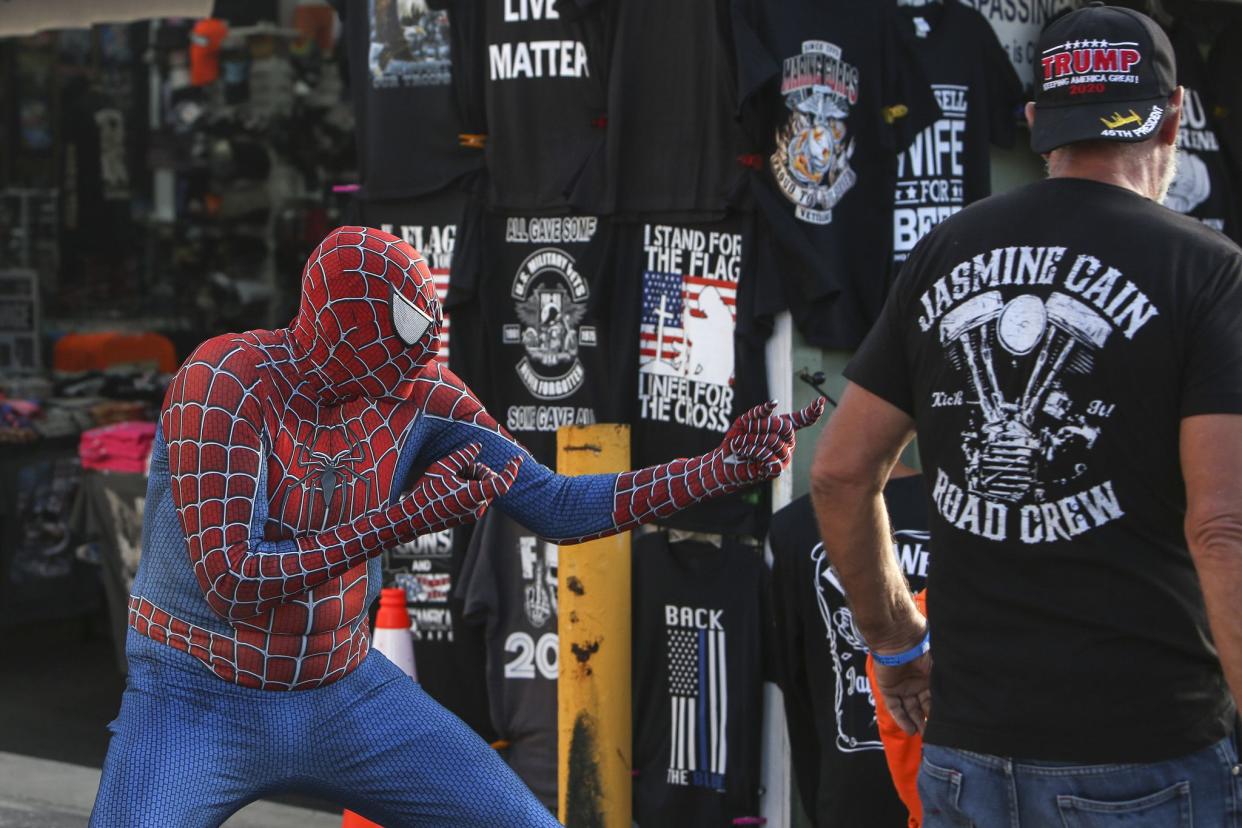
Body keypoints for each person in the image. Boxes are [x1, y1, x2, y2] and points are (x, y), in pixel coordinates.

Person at [89, 226, 823, 827]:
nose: (423, 353)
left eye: (428, 327)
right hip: (199, 691)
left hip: (342, 687)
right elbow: (232, 580)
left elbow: (557, 505)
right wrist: (410, 517)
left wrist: (718, 469)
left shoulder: (418, 390)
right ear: (339, 323)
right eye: (406, 330)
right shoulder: (228, 381)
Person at [809, 5, 1242, 826]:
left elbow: (837, 474)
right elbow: (1224, 531)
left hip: (966, 754)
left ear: (1039, 119)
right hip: (1146, 758)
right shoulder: (1211, 275)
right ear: (1174, 114)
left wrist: (897, 645)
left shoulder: (947, 250)